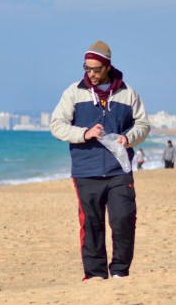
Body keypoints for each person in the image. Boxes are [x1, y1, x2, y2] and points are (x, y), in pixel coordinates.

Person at [50, 41, 150, 280]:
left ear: (107, 66)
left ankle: (119, 272)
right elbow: (56, 125)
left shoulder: (128, 93)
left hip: (119, 170)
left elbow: (143, 125)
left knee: (123, 219)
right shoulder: (73, 92)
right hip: (86, 171)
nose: (91, 74)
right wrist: (84, 134)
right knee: (91, 224)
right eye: (87, 69)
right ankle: (95, 275)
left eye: (96, 69)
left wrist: (129, 138)